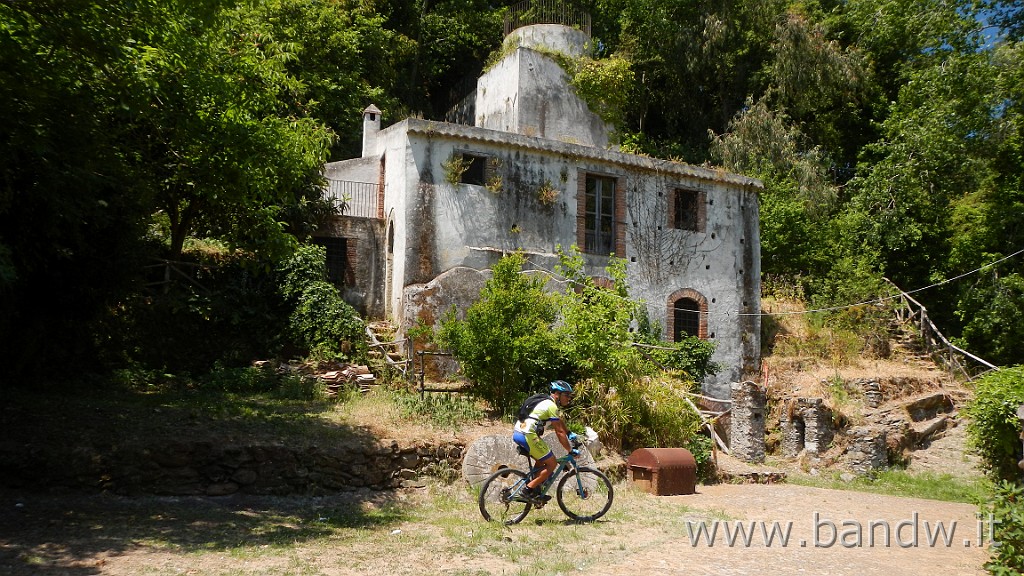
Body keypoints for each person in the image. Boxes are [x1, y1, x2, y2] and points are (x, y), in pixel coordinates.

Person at [512, 379, 579, 504]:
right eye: (566, 395)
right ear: (557, 394)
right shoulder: (551, 406)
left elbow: (559, 422)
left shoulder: (546, 402)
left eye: (570, 396)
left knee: (541, 459)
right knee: (552, 463)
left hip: (519, 433)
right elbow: (559, 432)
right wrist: (570, 449)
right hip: (528, 435)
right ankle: (527, 490)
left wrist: (569, 433)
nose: (569, 398)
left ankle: (536, 490)